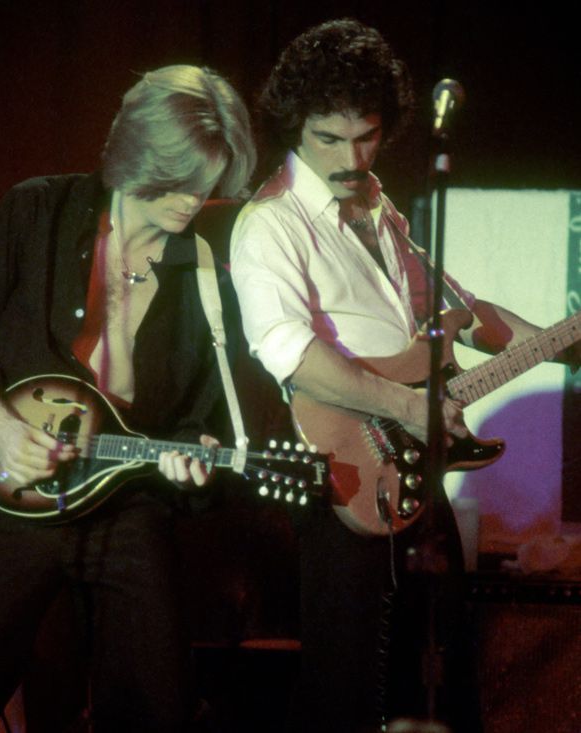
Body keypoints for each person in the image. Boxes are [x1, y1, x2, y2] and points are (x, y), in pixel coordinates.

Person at [230, 18, 580, 733]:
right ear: (296, 124)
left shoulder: (375, 205)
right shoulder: (270, 223)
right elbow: (290, 353)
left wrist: (562, 343)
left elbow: (461, 314)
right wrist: (405, 404)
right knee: (347, 689)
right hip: (342, 473)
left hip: (415, 461)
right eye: (328, 138)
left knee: (440, 667)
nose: (349, 157)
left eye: (364, 137)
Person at [0, 64, 255, 732]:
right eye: (175, 177)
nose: (191, 198)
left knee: (157, 704)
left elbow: (198, 422)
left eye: (205, 182)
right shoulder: (35, 210)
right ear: (134, 153)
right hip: (13, 495)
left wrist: (191, 461)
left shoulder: (205, 275)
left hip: (126, 504)